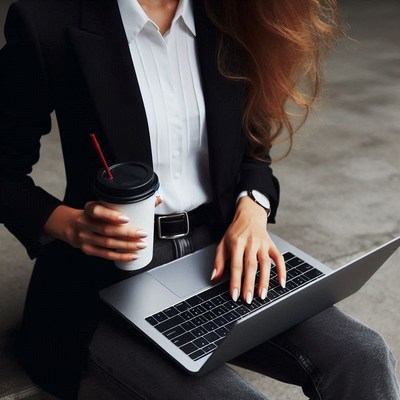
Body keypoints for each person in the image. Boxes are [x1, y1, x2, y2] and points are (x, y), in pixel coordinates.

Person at [0, 0, 399, 399]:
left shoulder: (232, 13)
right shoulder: (49, 21)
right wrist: (70, 225)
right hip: (104, 279)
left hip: (222, 255)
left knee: (363, 355)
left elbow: (253, 148)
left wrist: (252, 211)